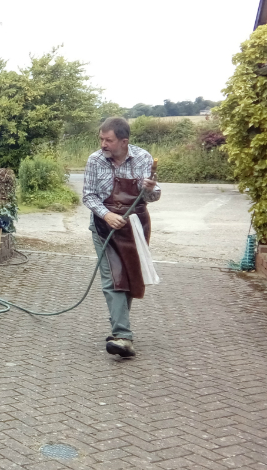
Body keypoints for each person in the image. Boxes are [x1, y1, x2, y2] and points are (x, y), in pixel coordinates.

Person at [82, 117, 160, 358]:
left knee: (128, 276)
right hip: (104, 228)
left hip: (135, 226)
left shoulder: (144, 158)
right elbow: (88, 196)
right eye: (101, 139)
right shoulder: (95, 160)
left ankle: (119, 328)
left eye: (109, 140)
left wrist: (149, 189)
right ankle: (123, 335)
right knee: (112, 277)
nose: (103, 144)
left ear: (124, 141)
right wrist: (106, 215)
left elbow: (153, 196)